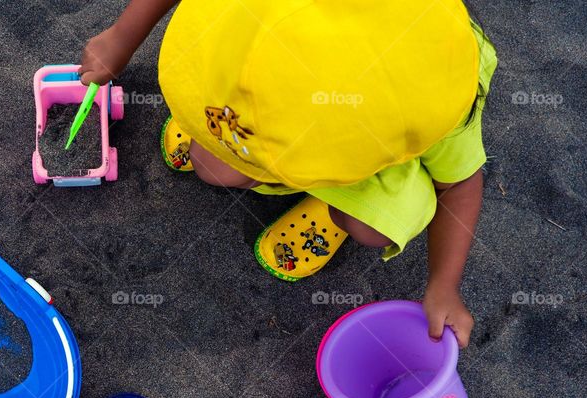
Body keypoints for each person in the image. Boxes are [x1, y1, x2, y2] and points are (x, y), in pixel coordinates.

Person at [79, 0, 497, 348]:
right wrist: (121, 38)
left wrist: (444, 283)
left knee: (372, 226)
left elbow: (459, 182)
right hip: (305, 97)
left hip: (369, 138)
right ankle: (227, 118)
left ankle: (329, 204)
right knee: (214, 168)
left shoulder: (433, 96)